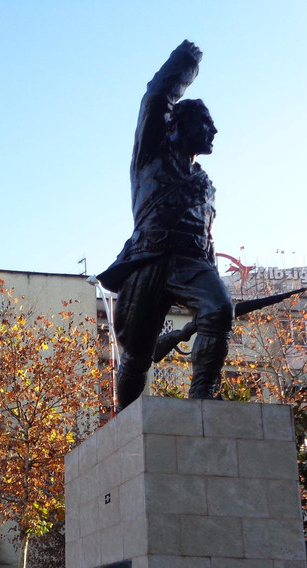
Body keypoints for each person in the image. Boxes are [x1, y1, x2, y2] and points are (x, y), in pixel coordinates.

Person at [97, 40, 232, 410]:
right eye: (206, 123)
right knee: (137, 356)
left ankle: (203, 393)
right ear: (178, 125)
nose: (214, 130)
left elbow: (207, 236)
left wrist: (212, 274)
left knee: (219, 310)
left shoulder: (205, 183)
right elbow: (156, 97)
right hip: (150, 259)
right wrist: (186, 61)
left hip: (193, 263)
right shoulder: (152, 154)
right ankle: (125, 419)